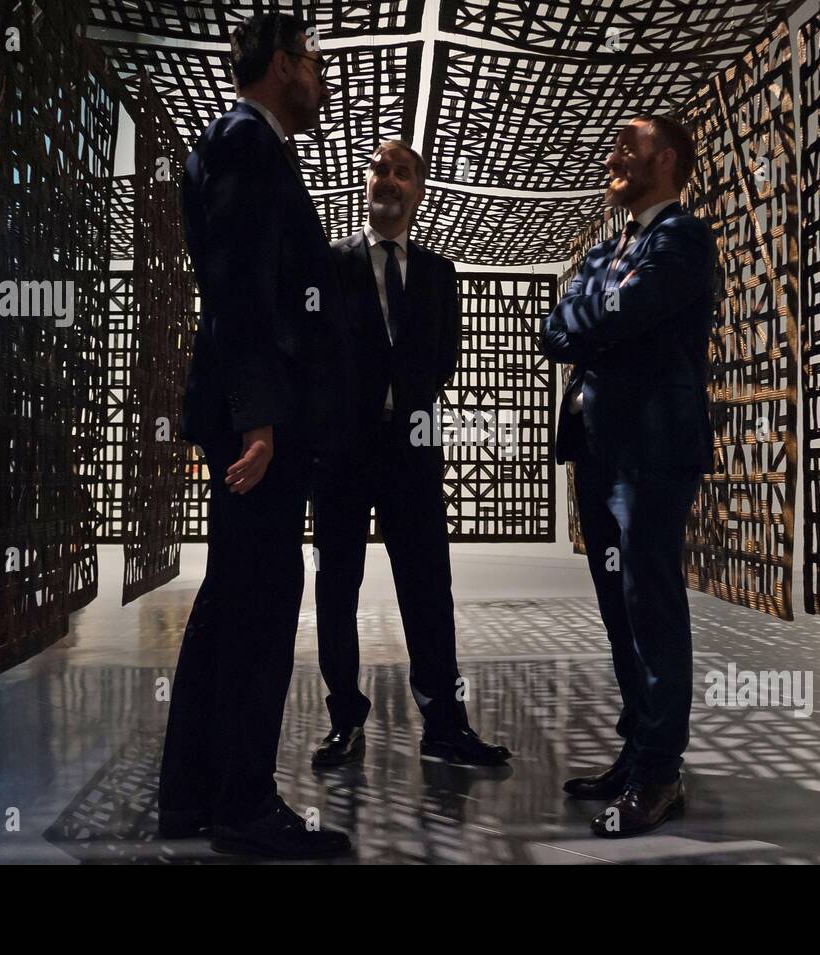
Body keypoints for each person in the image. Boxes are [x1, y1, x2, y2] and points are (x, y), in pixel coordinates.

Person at [157, 12, 355, 859]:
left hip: (254, 416)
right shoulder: (246, 144)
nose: (320, 76)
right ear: (281, 65)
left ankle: (191, 794)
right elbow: (239, 295)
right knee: (263, 605)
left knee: (230, 599)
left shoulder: (241, 142)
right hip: (258, 427)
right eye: (312, 60)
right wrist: (261, 420)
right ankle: (243, 803)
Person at [539, 114, 716, 838]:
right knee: (619, 608)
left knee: (651, 604)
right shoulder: (610, 248)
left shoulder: (682, 238)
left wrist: (593, 314)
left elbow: (628, 309)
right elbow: (554, 332)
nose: (611, 156)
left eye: (626, 147)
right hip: (599, 446)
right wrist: (596, 313)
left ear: (666, 160)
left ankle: (660, 772)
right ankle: (638, 749)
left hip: (653, 446)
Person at [310, 140, 512, 768]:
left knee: (428, 587)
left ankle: (445, 724)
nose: (389, 180)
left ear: (418, 192)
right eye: (380, 170)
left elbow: (442, 357)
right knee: (337, 587)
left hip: (414, 448)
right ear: (365, 183)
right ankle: (345, 715)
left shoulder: (436, 273)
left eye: (403, 173)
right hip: (343, 449)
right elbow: (313, 350)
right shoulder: (329, 263)